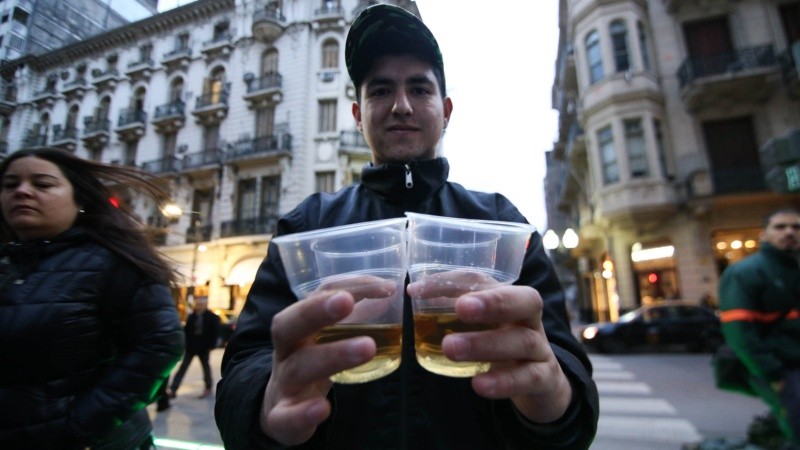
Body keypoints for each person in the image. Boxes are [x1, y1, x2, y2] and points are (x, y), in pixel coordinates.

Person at [215, 4, 599, 449]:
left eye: (419, 88)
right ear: (358, 115)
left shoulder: (501, 223)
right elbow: (245, 366)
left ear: (446, 110)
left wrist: (553, 399)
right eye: (381, 91)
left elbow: (568, 379)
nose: (400, 105)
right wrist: (264, 408)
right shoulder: (307, 227)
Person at [0, 147, 185, 449]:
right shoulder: (8, 263)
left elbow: (160, 343)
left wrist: (82, 425)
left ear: (80, 199)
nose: (22, 191)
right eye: (10, 185)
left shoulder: (113, 262)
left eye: (42, 184)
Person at [718, 207, 800, 447]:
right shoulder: (745, 272)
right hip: (780, 367)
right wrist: (772, 373)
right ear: (764, 235)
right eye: (780, 227)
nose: (789, 232)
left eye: (796, 227)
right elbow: (739, 333)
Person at [168, 295, 221, 399]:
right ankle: (173, 389)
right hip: (191, 347)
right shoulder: (192, 316)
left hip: (203, 347)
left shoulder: (211, 317)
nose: (199, 306)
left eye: (201, 304)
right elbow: (187, 331)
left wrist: (211, 345)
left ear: (205, 305)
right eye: (198, 304)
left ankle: (208, 388)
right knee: (183, 367)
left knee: (206, 368)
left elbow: (215, 332)